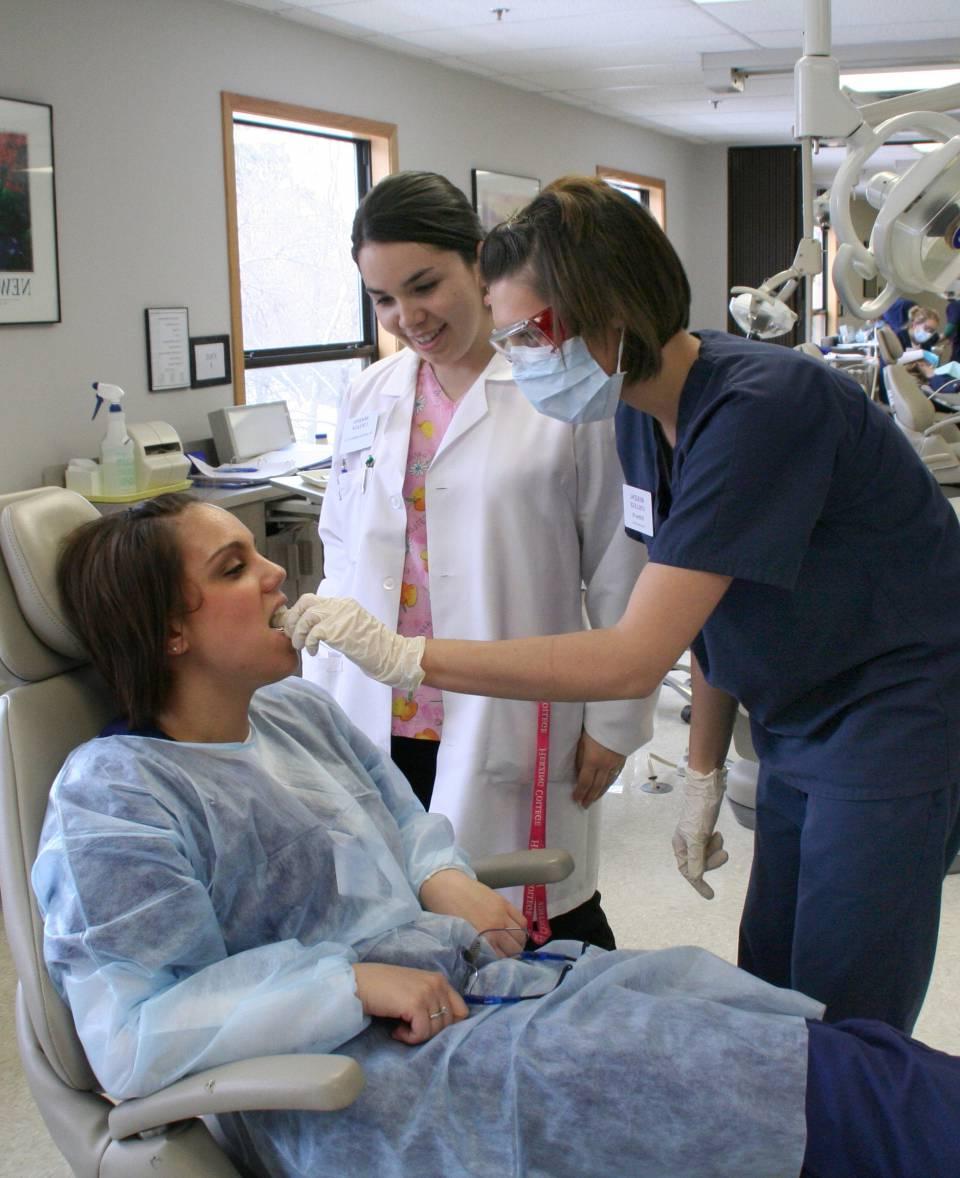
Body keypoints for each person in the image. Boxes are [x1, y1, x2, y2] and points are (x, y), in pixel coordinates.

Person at [32, 493, 960, 1178]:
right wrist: (348, 981)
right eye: (233, 568)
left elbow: (399, 819)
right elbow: (136, 1032)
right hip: (373, 1084)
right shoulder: (115, 797)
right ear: (168, 635)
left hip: (475, 995)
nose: (278, 571)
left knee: (792, 1041)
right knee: (821, 1106)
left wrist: (444, 880)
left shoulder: (295, 716)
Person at [282, 175, 960, 1035]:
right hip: (794, 717)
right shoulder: (647, 411)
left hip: (896, 714)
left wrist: (410, 657)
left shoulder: (763, 409)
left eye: (530, 332)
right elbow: (709, 607)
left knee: (850, 1004)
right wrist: (705, 767)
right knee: (772, 985)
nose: (518, 353)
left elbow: (637, 648)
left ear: (612, 313)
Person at [302, 171, 654, 949]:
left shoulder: (563, 391)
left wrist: (617, 721)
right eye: (384, 299)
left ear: (480, 265)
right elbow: (338, 548)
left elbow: (622, 566)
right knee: (402, 913)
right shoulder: (369, 395)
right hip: (373, 711)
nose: (407, 317)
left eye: (425, 284)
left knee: (535, 915)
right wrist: (316, 699)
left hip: (513, 704)